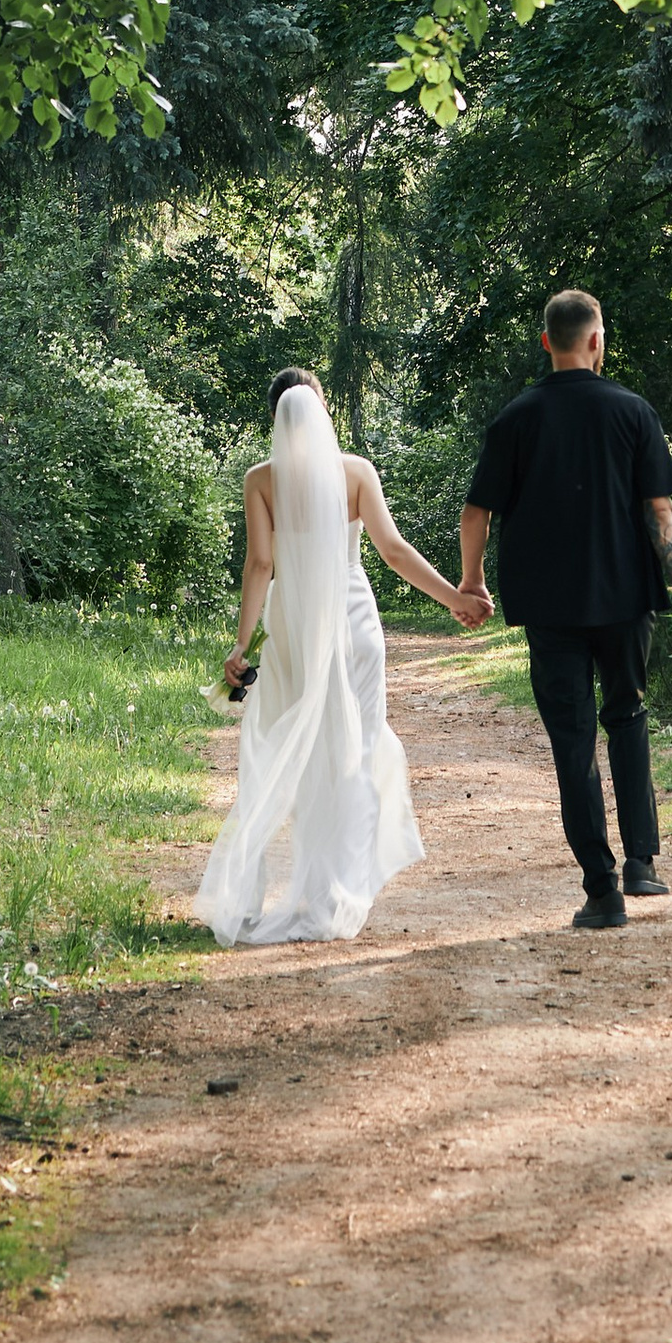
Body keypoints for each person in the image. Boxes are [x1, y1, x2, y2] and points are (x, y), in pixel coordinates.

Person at [191, 368, 477, 947]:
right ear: (322, 411)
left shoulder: (260, 480)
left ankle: (306, 889)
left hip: (294, 628)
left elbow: (260, 565)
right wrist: (454, 597)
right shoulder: (356, 472)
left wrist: (242, 644)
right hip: (354, 622)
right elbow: (393, 551)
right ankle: (340, 890)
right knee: (358, 748)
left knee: (302, 753)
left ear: (276, 418)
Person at [455, 287, 672, 930]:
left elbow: (476, 512)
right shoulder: (633, 412)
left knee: (573, 742)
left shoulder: (516, 418)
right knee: (628, 717)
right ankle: (642, 863)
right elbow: (661, 514)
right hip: (626, 600)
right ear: (596, 340)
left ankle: (602, 891)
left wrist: (472, 582)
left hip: (550, 607)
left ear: (546, 342)